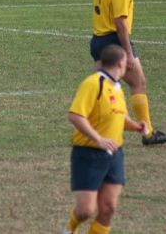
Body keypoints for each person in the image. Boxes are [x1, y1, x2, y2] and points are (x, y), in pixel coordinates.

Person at [90, 0, 166, 146]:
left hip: (97, 41)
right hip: (114, 42)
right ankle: (148, 134)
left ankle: (89, 131)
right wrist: (127, 52)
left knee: (101, 88)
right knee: (139, 84)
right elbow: (120, 25)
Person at [63, 44, 148, 234]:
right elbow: (75, 115)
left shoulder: (117, 87)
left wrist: (136, 126)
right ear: (120, 63)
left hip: (114, 155)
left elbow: (118, 117)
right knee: (85, 211)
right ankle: (68, 230)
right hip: (88, 153)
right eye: (127, 61)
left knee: (108, 208)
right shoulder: (93, 84)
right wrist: (99, 139)